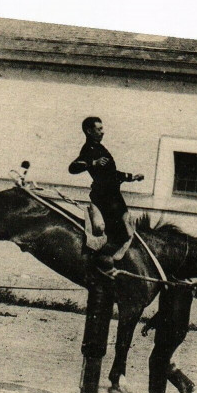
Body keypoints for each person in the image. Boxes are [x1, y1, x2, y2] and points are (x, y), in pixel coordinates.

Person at [68, 117, 144, 275]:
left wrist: (132, 177)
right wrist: (92, 163)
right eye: (99, 129)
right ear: (89, 131)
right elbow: (72, 168)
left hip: (113, 196)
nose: (103, 132)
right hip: (104, 197)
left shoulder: (100, 148)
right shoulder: (88, 149)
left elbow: (112, 173)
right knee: (117, 231)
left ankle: (114, 262)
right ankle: (103, 264)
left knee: (126, 228)